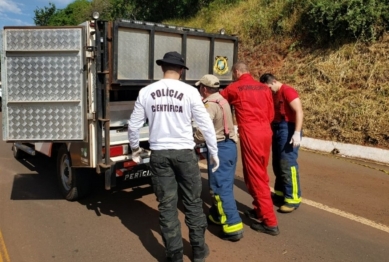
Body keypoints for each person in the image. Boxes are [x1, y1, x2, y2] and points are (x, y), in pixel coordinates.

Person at [128, 51, 220, 262]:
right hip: (185, 154)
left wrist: (134, 149)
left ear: (162, 68)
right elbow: (205, 124)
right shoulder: (190, 92)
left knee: (167, 205)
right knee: (193, 203)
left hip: (159, 154)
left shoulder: (146, 92)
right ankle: (198, 250)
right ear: (181, 70)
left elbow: (133, 125)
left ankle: (174, 254)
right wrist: (213, 151)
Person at [219, 62, 279, 236]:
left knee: (255, 177)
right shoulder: (264, 88)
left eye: (233, 73)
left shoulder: (234, 87)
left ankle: (270, 221)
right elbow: (270, 114)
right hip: (265, 132)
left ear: (237, 72)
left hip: (251, 133)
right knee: (261, 172)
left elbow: (219, 103)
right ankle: (260, 209)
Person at [193, 74, 243, 242]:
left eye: (200, 87)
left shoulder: (209, 105)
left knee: (220, 188)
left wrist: (191, 135)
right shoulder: (222, 100)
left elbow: (202, 132)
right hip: (229, 146)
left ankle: (233, 226)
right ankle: (215, 214)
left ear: (204, 89)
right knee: (225, 183)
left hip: (220, 148)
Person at [259, 73, 303, 213]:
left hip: (288, 127)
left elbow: (299, 112)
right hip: (277, 127)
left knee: (287, 163)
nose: (268, 91)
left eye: (268, 87)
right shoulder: (272, 94)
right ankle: (280, 193)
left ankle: (293, 198)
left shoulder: (287, 91)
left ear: (274, 82)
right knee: (277, 163)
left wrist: (296, 133)